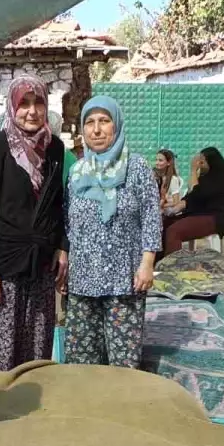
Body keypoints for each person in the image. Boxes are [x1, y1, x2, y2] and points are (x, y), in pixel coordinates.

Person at [0, 75, 67, 372]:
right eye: (23, 103)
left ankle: (32, 418)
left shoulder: (55, 149)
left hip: (40, 270)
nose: (32, 111)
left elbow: (58, 205)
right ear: (12, 107)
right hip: (3, 272)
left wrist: (62, 247)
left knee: (36, 358)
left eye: (38, 102)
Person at [63, 96, 162, 368]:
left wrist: (147, 262)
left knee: (123, 359)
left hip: (124, 278)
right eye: (90, 123)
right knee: (81, 359)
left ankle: (121, 409)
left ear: (116, 126)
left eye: (104, 121)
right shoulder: (76, 172)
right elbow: (67, 222)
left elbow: (152, 216)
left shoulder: (137, 167)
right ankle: (86, 408)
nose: (96, 130)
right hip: (83, 278)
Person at [161, 147, 224, 257]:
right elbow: (190, 197)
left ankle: (173, 266)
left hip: (214, 217)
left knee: (174, 231)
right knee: (163, 224)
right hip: (197, 214)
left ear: (212, 163)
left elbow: (197, 193)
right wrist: (173, 209)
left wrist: (193, 171)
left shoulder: (222, 180)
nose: (199, 164)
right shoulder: (205, 177)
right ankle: (157, 262)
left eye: (202, 161)